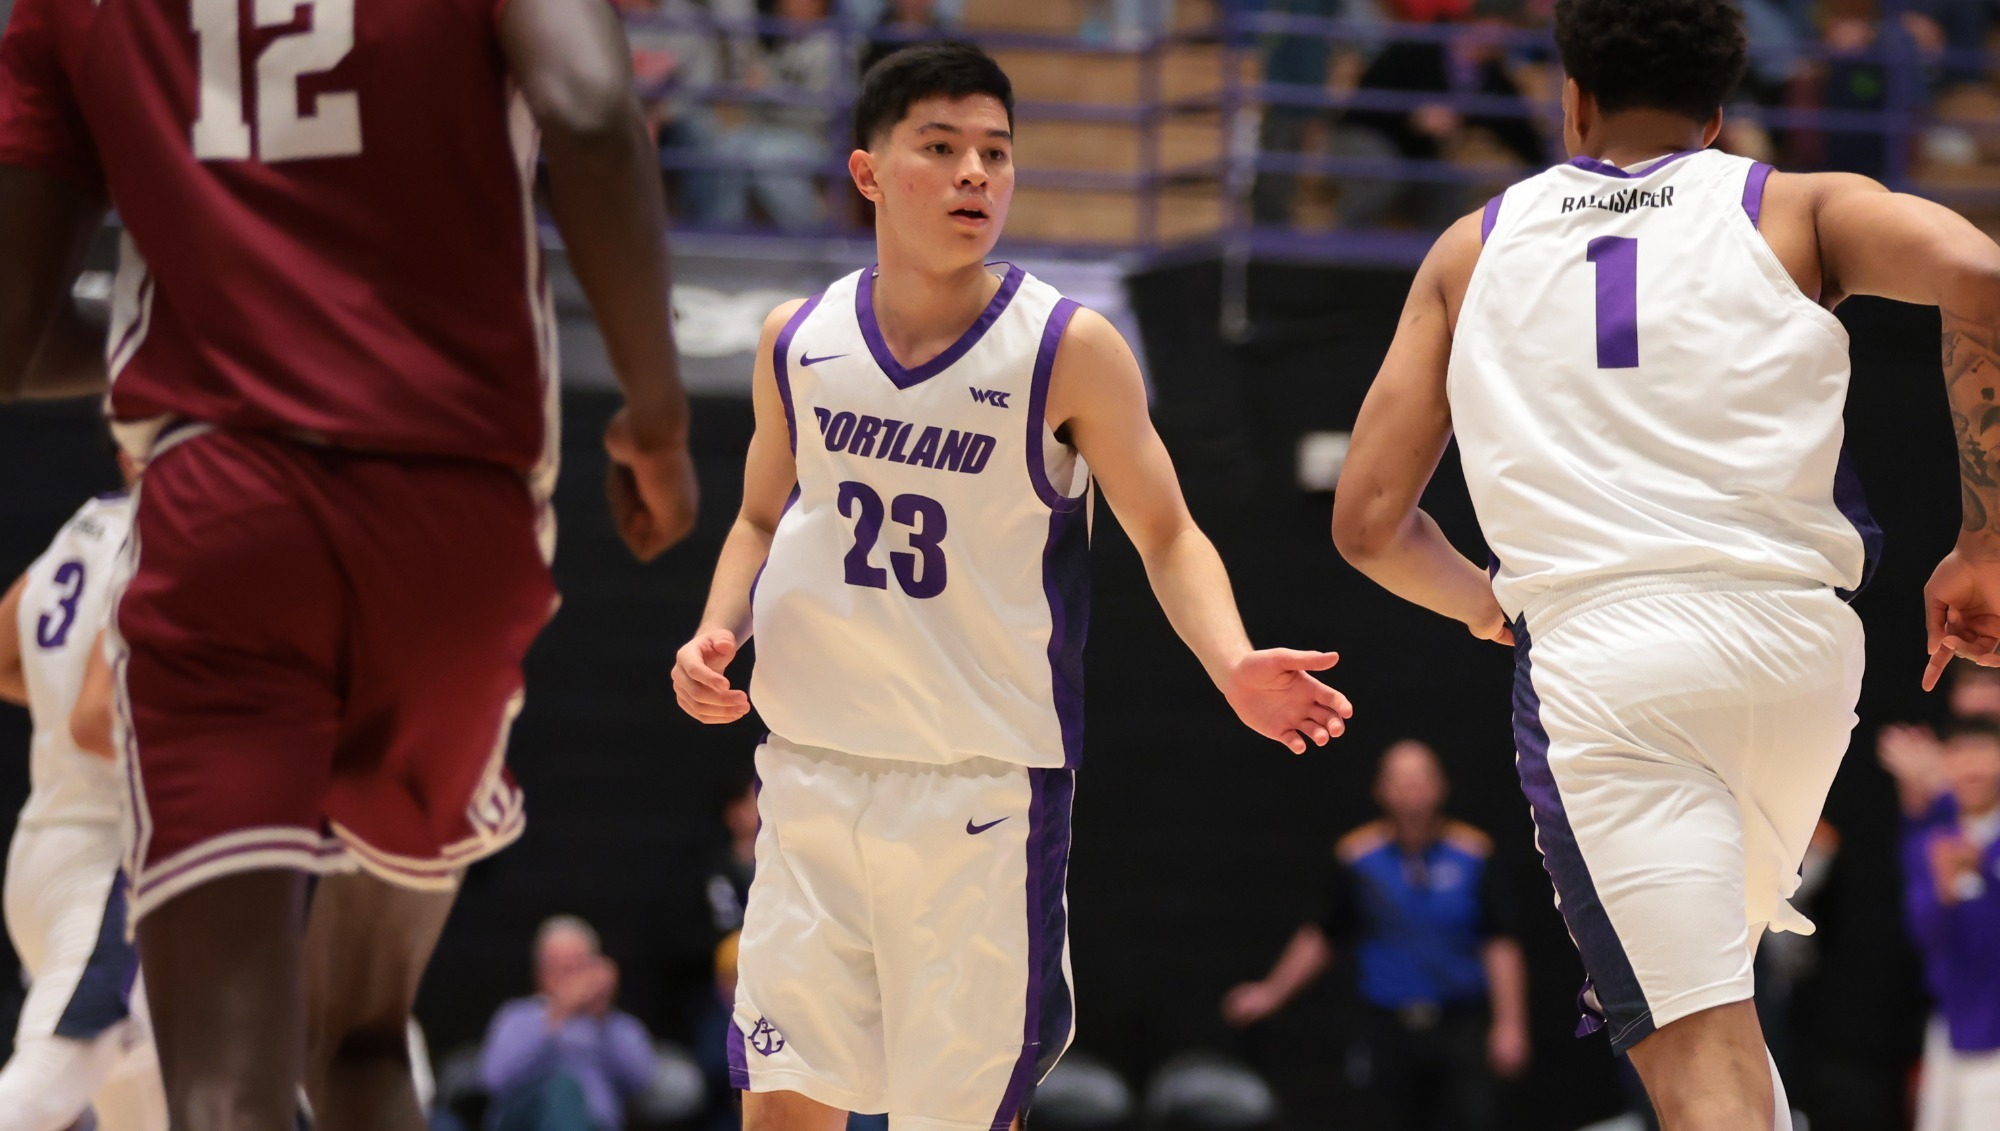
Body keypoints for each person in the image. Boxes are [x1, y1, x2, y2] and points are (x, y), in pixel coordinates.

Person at [0, 0, 701, 1126]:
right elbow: (590, 112)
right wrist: (657, 419)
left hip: (225, 511)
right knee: (365, 1031)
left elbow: (10, 336)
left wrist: (190, 314)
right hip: (457, 515)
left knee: (223, 1078)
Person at [1329, 0, 2000, 1124]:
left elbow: (1365, 523)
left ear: (1571, 97)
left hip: (1606, 667)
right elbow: (1981, 275)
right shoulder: (1795, 206)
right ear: (1719, 110)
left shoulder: (1473, 245)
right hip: (1798, 651)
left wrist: (1487, 608)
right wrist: (1981, 537)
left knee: (1690, 1058)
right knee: (1719, 1018)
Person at [672, 40, 1353, 1131]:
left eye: (994, 152)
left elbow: (1168, 533)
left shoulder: (1065, 348)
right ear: (866, 172)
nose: (974, 175)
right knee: (782, 1112)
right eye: (939, 149)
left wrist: (1230, 660)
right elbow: (762, 516)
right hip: (809, 777)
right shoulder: (793, 340)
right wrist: (715, 631)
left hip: (975, 799)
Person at [1222, 740, 1528, 1131]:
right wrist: (1271, 992)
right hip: (1386, 1027)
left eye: (1421, 779)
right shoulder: (1357, 858)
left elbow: (1500, 944)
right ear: (1380, 789)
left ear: (1441, 786)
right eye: (1400, 780)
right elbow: (1322, 935)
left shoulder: (1474, 855)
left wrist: (1511, 1024)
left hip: (1460, 1025)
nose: (1411, 789)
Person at [0, 468, 166, 1131]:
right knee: (38, 1094)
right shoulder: (168, 536)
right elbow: (97, 720)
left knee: (151, 1109)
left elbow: (3, 656)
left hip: (43, 854)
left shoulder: (86, 524)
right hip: (107, 870)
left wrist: (58, 701)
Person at [1880, 718, 2000, 1131]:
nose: (1972, 768)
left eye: (1983, 753)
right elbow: (1922, 935)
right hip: (1953, 1027)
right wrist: (1943, 893)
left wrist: (1986, 867)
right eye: (1961, 754)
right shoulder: (1928, 840)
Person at [480, 916, 660, 1131]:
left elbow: (642, 1080)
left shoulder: (616, 1024)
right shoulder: (518, 1015)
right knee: (562, 1089)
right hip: (524, 1121)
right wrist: (557, 1015)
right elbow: (493, 1079)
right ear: (540, 973)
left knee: (571, 1099)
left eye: (577, 965)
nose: (569, 977)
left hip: (594, 1124)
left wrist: (601, 1019)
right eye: (558, 967)